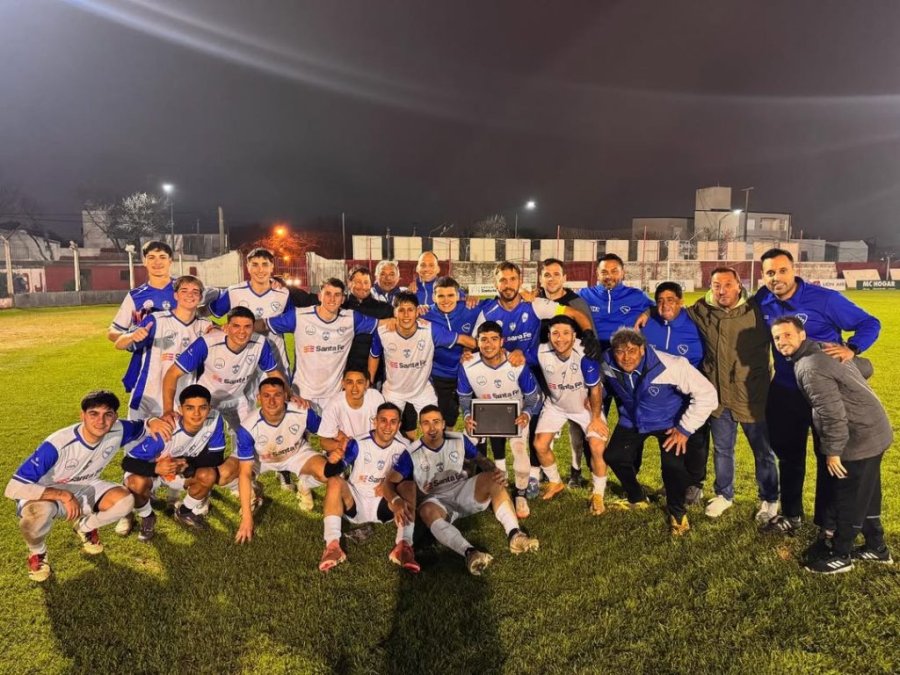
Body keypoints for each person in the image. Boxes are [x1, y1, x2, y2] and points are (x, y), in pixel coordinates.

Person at [756, 248, 881, 536]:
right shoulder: (764, 300)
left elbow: (870, 323)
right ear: (763, 276)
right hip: (786, 391)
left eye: (782, 270)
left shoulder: (825, 299)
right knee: (789, 457)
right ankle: (792, 515)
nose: (776, 277)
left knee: (830, 456)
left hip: (824, 393)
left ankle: (828, 523)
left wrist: (852, 348)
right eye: (770, 272)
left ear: (794, 270)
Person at [4, 390, 169, 581]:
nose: (101, 421)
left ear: (115, 416)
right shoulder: (57, 444)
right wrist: (63, 495)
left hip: (86, 486)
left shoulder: (119, 429)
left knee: (125, 501)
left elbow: (143, 425)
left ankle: (85, 527)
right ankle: (37, 553)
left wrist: (152, 421)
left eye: (108, 414)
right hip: (47, 492)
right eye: (93, 414)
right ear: (82, 415)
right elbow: (14, 488)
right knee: (36, 515)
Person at [771, 316, 893, 573]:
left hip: (858, 435)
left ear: (802, 335)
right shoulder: (825, 349)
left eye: (788, 335)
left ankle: (840, 554)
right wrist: (847, 362)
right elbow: (867, 367)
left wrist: (834, 451)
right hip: (875, 429)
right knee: (868, 491)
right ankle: (877, 547)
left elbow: (831, 414)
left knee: (848, 496)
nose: (782, 341)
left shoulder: (809, 367)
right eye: (777, 337)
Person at [476, 261, 602, 498]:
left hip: (534, 372)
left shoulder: (535, 304)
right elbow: (477, 341)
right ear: (495, 283)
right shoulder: (487, 311)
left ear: (520, 281)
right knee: (499, 420)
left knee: (534, 423)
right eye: (502, 280)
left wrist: (587, 333)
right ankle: (501, 473)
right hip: (502, 375)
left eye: (512, 279)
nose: (508, 284)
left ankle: (534, 475)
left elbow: (575, 313)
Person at [383, 406, 539, 575]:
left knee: (494, 479)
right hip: (435, 501)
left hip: (462, 492)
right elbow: (388, 483)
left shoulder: (458, 439)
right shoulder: (412, 453)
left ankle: (515, 535)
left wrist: (496, 472)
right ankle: (470, 553)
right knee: (426, 510)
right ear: (421, 426)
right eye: (426, 423)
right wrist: (395, 500)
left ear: (443, 424)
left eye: (436, 422)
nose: (432, 427)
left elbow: (481, 460)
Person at [600, 329, 718, 535]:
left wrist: (684, 429)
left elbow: (708, 394)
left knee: (673, 467)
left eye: (631, 351)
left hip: (669, 421)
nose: (626, 357)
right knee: (614, 456)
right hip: (634, 418)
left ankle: (677, 513)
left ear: (643, 350)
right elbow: (598, 381)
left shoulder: (672, 365)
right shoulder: (606, 361)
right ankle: (637, 498)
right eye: (620, 351)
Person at [685, 267, 779, 522]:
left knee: (763, 451)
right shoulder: (701, 310)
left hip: (752, 395)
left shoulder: (756, 310)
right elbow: (672, 313)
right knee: (723, 449)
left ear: (739, 285)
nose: (722, 290)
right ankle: (724, 495)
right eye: (716, 285)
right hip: (718, 396)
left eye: (728, 284)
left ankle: (770, 498)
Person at [121, 384, 239, 539]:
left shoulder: (215, 419)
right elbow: (128, 462)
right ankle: (147, 517)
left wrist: (187, 465)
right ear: (180, 410)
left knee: (209, 474)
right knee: (135, 483)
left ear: (209, 408)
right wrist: (156, 468)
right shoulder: (167, 430)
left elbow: (216, 457)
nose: (196, 414)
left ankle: (185, 511)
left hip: (178, 473)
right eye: (190, 408)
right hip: (153, 472)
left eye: (202, 408)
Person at [317, 403, 419, 573]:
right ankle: (332, 546)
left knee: (409, 486)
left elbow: (407, 480)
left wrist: (389, 488)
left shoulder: (405, 447)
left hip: (384, 504)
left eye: (393, 421)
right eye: (383, 420)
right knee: (334, 481)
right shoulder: (357, 443)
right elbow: (331, 473)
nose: (388, 426)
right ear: (375, 422)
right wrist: (332, 462)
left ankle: (404, 546)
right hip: (355, 501)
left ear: (399, 425)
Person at [457, 321, 542, 519]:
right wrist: (467, 416)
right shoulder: (468, 365)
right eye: (484, 340)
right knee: (464, 444)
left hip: (515, 416)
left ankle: (520, 494)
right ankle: (471, 490)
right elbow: (464, 397)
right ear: (477, 342)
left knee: (519, 449)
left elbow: (532, 397)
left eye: (494, 339)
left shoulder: (516, 363)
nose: (489, 344)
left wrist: (526, 414)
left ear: (502, 341)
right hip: (485, 415)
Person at [162, 307, 283, 442]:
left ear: (253, 327)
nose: (242, 332)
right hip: (207, 401)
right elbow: (172, 374)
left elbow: (273, 373)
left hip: (237, 400)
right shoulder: (207, 343)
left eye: (247, 327)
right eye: (236, 326)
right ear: (227, 326)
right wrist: (168, 410)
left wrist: (289, 396)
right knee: (190, 441)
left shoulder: (260, 343)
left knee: (251, 440)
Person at [368, 291, 476, 440]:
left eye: (410, 310)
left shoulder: (430, 330)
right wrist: (370, 381)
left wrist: (478, 349)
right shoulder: (383, 332)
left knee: (435, 430)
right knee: (385, 432)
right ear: (395, 312)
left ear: (417, 312)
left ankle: (438, 453)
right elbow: (374, 356)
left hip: (422, 390)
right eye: (401, 310)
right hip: (393, 391)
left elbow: (463, 340)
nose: (406, 315)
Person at [264, 278, 381, 412]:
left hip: (334, 394)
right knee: (300, 425)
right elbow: (265, 324)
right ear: (320, 296)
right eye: (328, 294)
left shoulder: (351, 318)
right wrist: (245, 323)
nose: (332, 299)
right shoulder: (299, 316)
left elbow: (382, 325)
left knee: (335, 426)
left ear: (343, 299)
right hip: (302, 393)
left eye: (337, 295)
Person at [234, 378, 329, 541]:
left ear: (285, 395)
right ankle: (253, 493)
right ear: (259, 398)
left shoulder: (302, 411)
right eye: (266, 396)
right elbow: (244, 472)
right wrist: (247, 519)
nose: (271, 401)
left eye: (277, 395)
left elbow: (327, 432)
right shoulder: (247, 427)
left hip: (296, 454)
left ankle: (305, 484)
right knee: (226, 474)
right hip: (262, 460)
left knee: (329, 472)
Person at [533, 317, 610, 515]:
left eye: (566, 333)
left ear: (574, 336)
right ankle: (555, 482)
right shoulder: (540, 351)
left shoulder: (585, 354)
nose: (560, 339)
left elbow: (595, 389)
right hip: (556, 405)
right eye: (555, 334)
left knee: (597, 446)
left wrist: (595, 418)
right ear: (548, 335)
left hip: (584, 408)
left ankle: (598, 493)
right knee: (540, 445)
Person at [640, 282, 707, 507]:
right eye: (660, 301)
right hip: (661, 395)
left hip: (691, 390)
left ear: (681, 302)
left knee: (695, 438)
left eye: (670, 300)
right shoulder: (648, 323)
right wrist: (648, 311)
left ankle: (695, 484)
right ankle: (672, 483)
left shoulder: (695, 323)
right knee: (669, 439)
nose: (665, 305)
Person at [115, 275, 212, 420]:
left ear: (200, 297)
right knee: (138, 435)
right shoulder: (156, 320)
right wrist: (131, 336)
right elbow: (119, 343)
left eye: (195, 292)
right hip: (147, 399)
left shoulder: (206, 326)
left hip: (181, 402)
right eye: (184, 291)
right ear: (175, 295)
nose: (190, 295)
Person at [536, 258, 596, 488]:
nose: (551, 279)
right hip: (543, 371)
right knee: (543, 421)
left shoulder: (575, 303)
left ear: (564, 278)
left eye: (556, 274)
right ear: (541, 279)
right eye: (547, 275)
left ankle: (575, 470)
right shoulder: (535, 301)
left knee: (575, 424)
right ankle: (545, 470)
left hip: (573, 374)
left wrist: (593, 381)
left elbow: (589, 341)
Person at [208, 247, 293, 380]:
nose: (260, 270)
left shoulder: (283, 293)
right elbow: (209, 312)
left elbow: (292, 323)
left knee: (280, 393)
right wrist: (217, 327)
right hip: (243, 364)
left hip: (276, 360)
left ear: (272, 267)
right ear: (247, 266)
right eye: (255, 264)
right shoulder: (234, 291)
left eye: (265, 264)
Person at [423, 276, 483, 427]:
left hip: (469, 372)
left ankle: (476, 442)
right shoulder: (424, 314)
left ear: (458, 295)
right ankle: (447, 439)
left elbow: (499, 303)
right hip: (440, 374)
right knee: (445, 419)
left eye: (450, 295)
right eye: (440, 296)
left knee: (478, 418)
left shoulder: (471, 308)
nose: (446, 300)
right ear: (433, 297)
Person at [578, 253, 653, 351]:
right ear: (597, 274)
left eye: (614, 272)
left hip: (625, 350)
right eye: (604, 272)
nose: (609, 276)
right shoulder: (584, 294)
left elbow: (659, 307)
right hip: (593, 348)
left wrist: (647, 313)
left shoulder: (637, 295)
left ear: (622, 273)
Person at [318, 369, 386, 455]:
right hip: (348, 451)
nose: (354, 388)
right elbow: (323, 441)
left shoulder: (376, 397)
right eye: (350, 382)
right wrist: (340, 445)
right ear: (343, 384)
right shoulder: (334, 404)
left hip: (374, 448)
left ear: (367, 384)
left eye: (359, 382)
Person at [342, 266, 394, 379]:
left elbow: (404, 320)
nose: (363, 286)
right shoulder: (341, 308)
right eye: (358, 282)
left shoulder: (384, 309)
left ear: (371, 284)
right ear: (349, 283)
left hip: (375, 375)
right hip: (344, 373)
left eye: (366, 282)